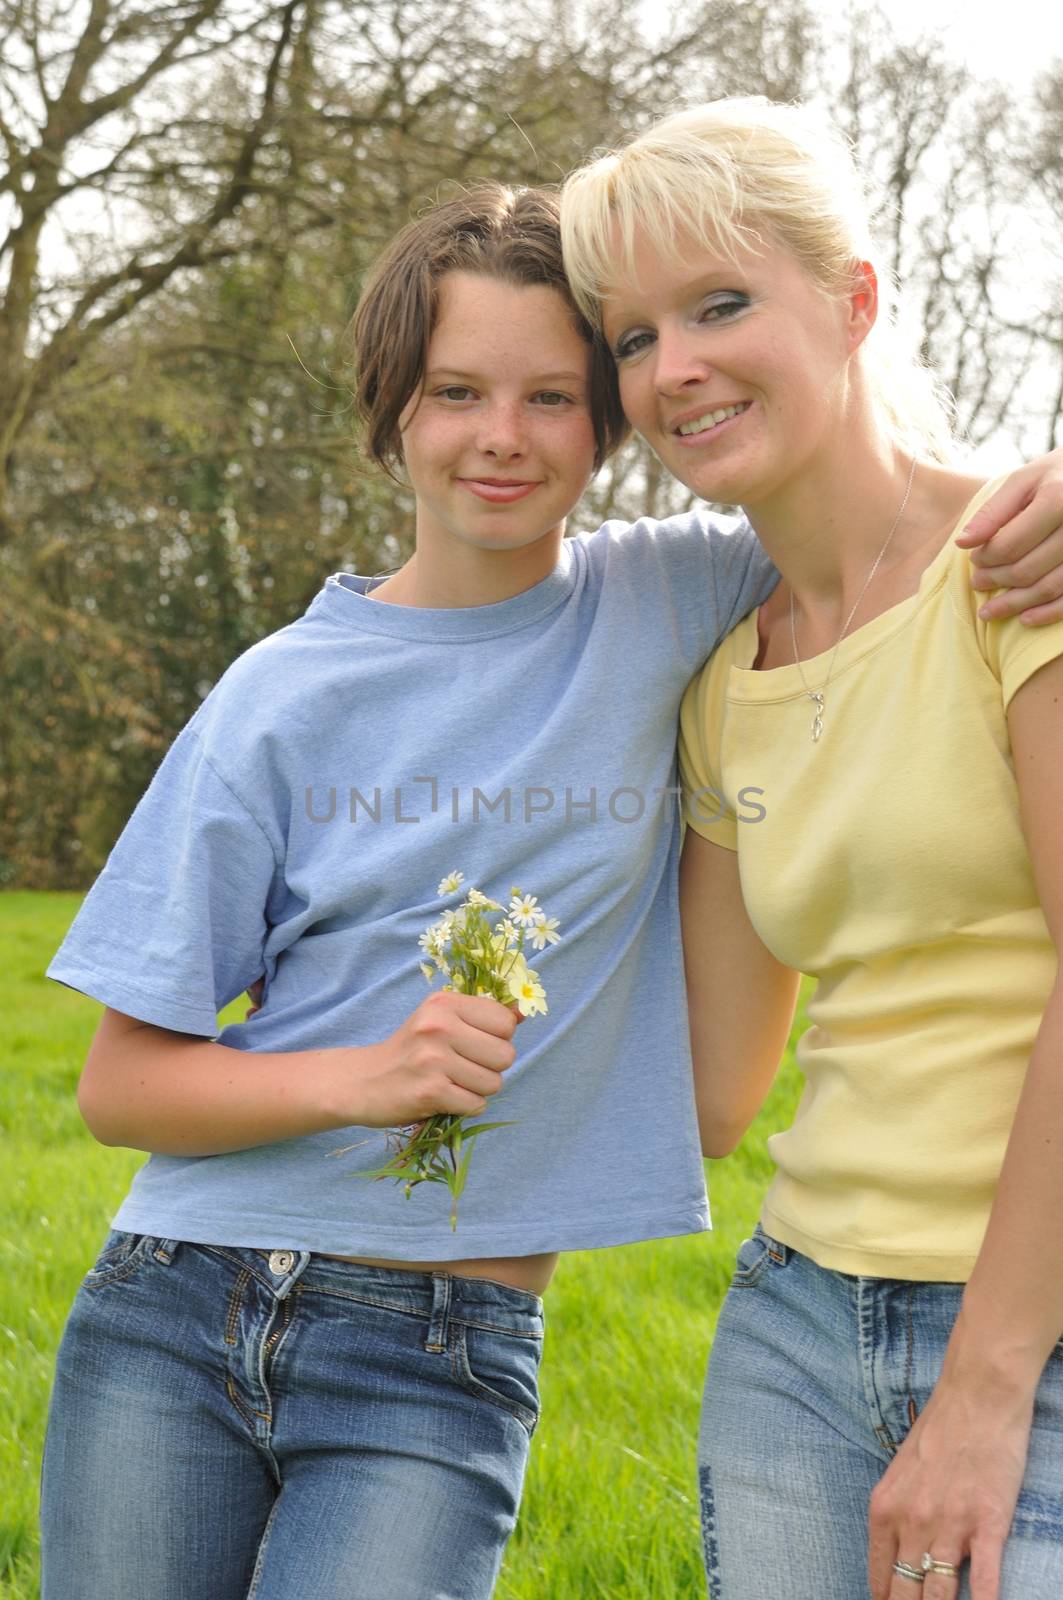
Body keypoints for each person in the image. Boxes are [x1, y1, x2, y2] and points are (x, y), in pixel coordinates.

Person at [40, 181, 1063, 1600]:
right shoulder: (276, 697)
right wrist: (362, 1078)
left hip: (444, 1346)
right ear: (393, 409)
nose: (502, 438)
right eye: (456, 391)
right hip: (176, 1299)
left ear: (609, 427)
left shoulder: (673, 596)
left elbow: (885, 499)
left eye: (553, 397)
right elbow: (118, 1088)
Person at [560, 98, 1063, 1600]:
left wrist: (984, 1387)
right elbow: (713, 1092)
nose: (676, 369)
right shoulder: (728, 682)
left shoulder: (1020, 574)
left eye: (721, 305)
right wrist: (374, 1063)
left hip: (1028, 1333)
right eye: (635, 338)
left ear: (853, 301)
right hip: (793, 1325)